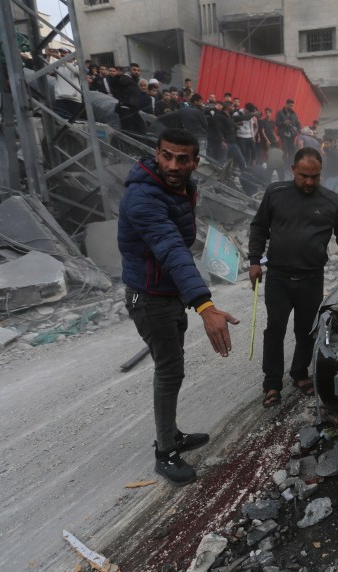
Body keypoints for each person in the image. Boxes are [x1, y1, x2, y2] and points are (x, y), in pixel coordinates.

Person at [118, 128, 239, 486]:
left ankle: (171, 435)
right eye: (166, 156)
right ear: (156, 154)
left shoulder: (180, 189)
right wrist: (204, 305)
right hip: (150, 300)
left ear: (195, 162)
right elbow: (170, 247)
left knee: (173, 368)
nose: (173, 164)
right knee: (169, 371)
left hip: (167, 295)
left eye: (182, 159)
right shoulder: (143, 197)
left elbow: (179, 243)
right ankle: (165, 453)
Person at [247, 148, 338, 407]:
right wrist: (254, 261)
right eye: (304, 176)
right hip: (278, 276)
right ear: (293, 170)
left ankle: (299, 374)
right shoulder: (276, 193)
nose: (309, 182)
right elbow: (259, 228)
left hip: (310, 278)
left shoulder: (331, 201)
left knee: (306, 331)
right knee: (275, 329)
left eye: (315, 177)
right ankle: (272, 384)